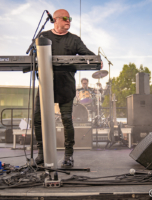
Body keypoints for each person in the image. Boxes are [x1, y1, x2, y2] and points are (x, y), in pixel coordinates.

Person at [34, 9, 99, 167]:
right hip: (45, 85)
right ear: (55, 20)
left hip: (66, 86)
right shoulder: (43, 37)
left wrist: (97, 59)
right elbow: (32, 58)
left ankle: (68, 155)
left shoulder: (74, 40)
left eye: (69, 18)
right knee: (37, 119)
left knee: (67, 121)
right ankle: (41, 153)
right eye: (64, 18)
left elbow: (88, 55)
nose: (68, 20)